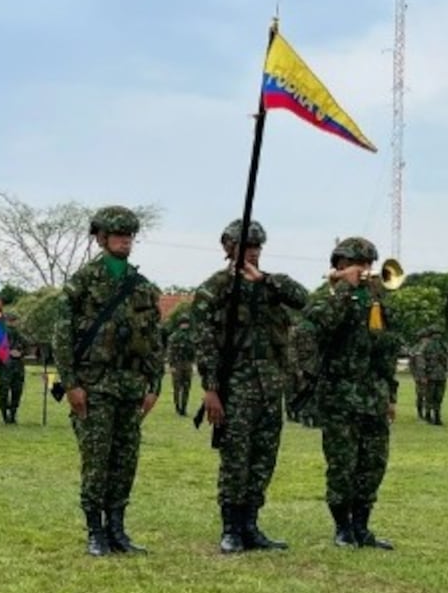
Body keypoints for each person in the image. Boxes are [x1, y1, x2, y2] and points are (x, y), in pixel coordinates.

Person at [191, 219, 307, 553]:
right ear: (228, 247)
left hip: (270, 387)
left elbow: (304, 300)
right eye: (245, 247)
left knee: (263, 458)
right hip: (235, 387)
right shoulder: (215, 288)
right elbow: (203, 341)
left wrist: (266, 282)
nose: (252, 253)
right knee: (236, 458)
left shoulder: (271, 287)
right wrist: (211, 389)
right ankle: (231, 528)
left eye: (257, 247)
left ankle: (251, 525)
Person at [53, 205, 163, 556]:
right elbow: (62, 335)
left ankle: (118, 529)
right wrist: (71, 384)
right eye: (117, 234)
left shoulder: (143, 287)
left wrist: (154, 385)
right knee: (96, 460)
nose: (124, 240)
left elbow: (155, 340)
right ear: (101, 238)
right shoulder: (82, 283)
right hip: (94, 385)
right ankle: (95, 531)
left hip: (132, 387)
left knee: (125, 459)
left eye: (129, 235)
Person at [300, 237, 397, 549]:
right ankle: (342, 528)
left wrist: (390, 394)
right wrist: (343, 288)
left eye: (369, 264)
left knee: (373, 464)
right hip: (340, 398)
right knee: (342, 465)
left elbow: (385, 348)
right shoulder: (328, 296)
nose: (366, 270)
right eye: (359, 264)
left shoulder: (375, 300)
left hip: (374, 396)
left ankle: (362, 527)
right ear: (340, 265)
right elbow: (316, 327)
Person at [166, 315, 196, 416]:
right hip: (177, 363)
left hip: (187, 363)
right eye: (183, 323)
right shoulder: (174, 336)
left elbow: (194, 351)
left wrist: (194, 364)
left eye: (186, 323)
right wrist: (171, 365)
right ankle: (178, 407)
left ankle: (183, 408)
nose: (185, 325)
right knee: (177, 387)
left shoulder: (191, 336)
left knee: (186, 387)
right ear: (179, 324)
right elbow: (170, 351)